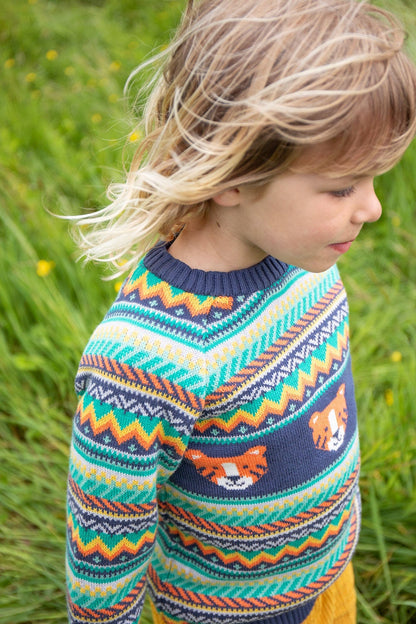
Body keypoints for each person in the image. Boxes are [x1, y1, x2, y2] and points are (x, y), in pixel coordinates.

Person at [65, 1, 416, 623]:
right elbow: (103, 555)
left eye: (373, 181)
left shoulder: (304, 264)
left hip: (328, 575)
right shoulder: (143, 364)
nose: (373, 209)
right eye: (343, 187)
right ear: (231, 174)